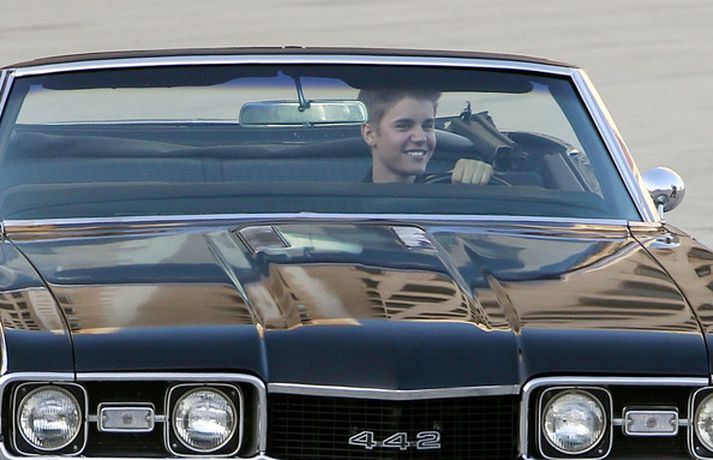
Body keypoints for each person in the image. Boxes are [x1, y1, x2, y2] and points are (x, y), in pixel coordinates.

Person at [358, 88, 493, 184]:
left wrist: (471, 186)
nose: (421, 137)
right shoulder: (347, 206)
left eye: (427, 126)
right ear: (369, 134)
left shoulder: (450, 189)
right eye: (403, 126)